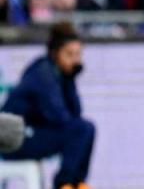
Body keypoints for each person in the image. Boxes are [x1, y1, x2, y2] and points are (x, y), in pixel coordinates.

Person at [1, 23, 95, 189]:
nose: (75, 60)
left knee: (85, 128)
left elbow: (75, 113)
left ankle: (76, 182)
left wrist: (70, 79)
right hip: (14, 140)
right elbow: (59, 117)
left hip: (31, 133)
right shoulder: (42, 74)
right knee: (82, 130)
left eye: (78, 55)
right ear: (56, 53)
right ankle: (64, 183)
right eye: (70, 54)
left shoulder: (60, 75)